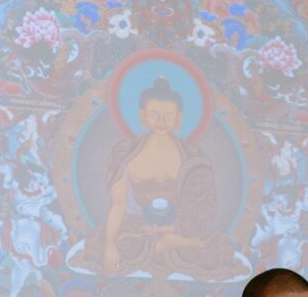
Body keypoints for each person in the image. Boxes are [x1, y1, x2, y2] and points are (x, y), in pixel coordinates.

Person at [79, 77, 242, 280]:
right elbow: (118, 205)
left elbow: (204, 205)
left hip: (181, 226)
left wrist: (174, 227)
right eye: (154, 114)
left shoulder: (192, 156)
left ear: (178, 119)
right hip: (138, 226)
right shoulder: (125, 153)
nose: (161, 122)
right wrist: (110, 244)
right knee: (100, 245)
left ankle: (168, 241)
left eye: (168, 116)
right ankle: (166, 244)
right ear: (143, 116)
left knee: (219, 248)